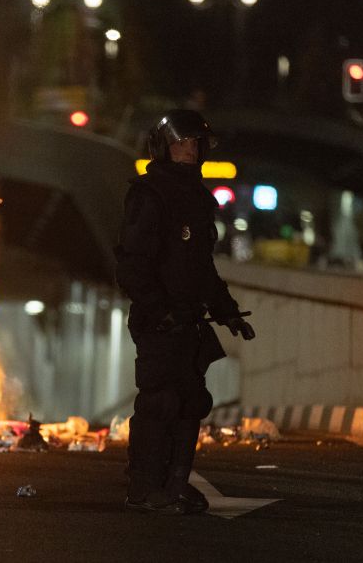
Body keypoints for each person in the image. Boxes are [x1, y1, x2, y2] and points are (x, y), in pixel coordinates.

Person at [115, 109, 256, 514]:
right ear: (163, 147)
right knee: (160, 401)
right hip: (159, 322)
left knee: (192, 401)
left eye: (196, 143)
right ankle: (143, 488)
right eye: (181, 142)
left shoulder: (196, 198)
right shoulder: (149, 194)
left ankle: (176, 484)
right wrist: (159, 311)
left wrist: (227, 311)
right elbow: (133, 264)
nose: (190, 150)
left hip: (190, 321)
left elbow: (201, 266)